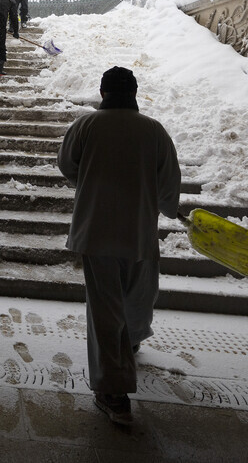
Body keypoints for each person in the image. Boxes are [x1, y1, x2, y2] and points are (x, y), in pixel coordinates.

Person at [57, 66, 181, 427]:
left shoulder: (86, 126)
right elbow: (169, 180)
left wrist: (92, 178)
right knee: (139, 294)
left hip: (96, 230)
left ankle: (113, 391)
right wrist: (165, 205)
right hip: (138, 230)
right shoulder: (153, 130)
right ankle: (131, 345)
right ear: (135, 92)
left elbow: (67, 166)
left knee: (105, 309)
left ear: (103, 92)